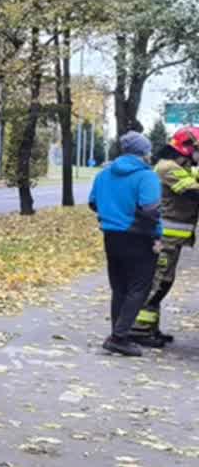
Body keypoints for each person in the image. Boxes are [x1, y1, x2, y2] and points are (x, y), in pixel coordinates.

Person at [90, 132, 162, 356]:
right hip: (139, 237)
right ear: (144, 153)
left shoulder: (103, 174)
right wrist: (157, 236)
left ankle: (119, 332)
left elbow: (93, 203)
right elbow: (151, 211)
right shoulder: (146, 177)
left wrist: (112, 214)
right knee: (139, 288)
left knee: (119, 288)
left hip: (111, 236)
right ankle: (119, 337)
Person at [133, 125, 199, 345]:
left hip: (174, 237)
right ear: (187, 147)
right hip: (165, 236)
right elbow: (193, 191)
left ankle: (149, 327)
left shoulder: (182, 166)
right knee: (159, 280)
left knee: (163, 280)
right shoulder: (168, 167)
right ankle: (138, 329)